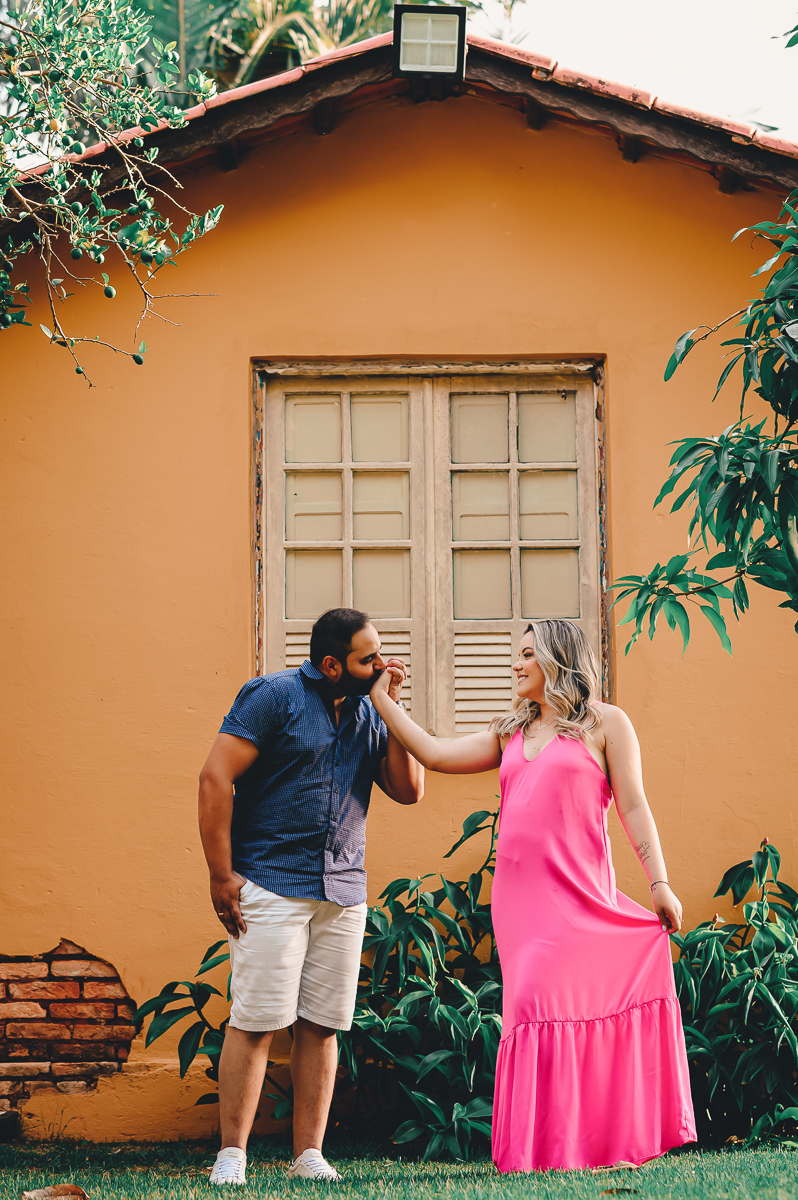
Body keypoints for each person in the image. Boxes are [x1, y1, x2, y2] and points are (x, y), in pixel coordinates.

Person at [369, 618, 696, 1173]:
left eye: (525, 654)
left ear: (555, 657)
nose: (515, 664)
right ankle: (543, 1150)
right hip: (523, 905)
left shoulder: (605, 724)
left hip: (581, 895)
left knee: (572, 1009)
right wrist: (383, 701)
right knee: (533, 1010)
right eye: (515, 655)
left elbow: (633, 805)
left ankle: (591, 1145)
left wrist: (659, 882)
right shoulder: (510, 733)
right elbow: (435, 754)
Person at [198, 608, 424, 1185]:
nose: (381, 663)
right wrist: (222, 877)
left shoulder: (372, 711)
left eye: (380, 653)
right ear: (331, 665)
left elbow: (408, 790)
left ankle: (308, 1156)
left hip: (342, 888)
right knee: (255, 1020)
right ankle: (232, 1156)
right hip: (271, 882)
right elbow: (214, 776)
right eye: (367, 658)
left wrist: (391, 704)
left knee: (322, 1023)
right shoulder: (272, 697)